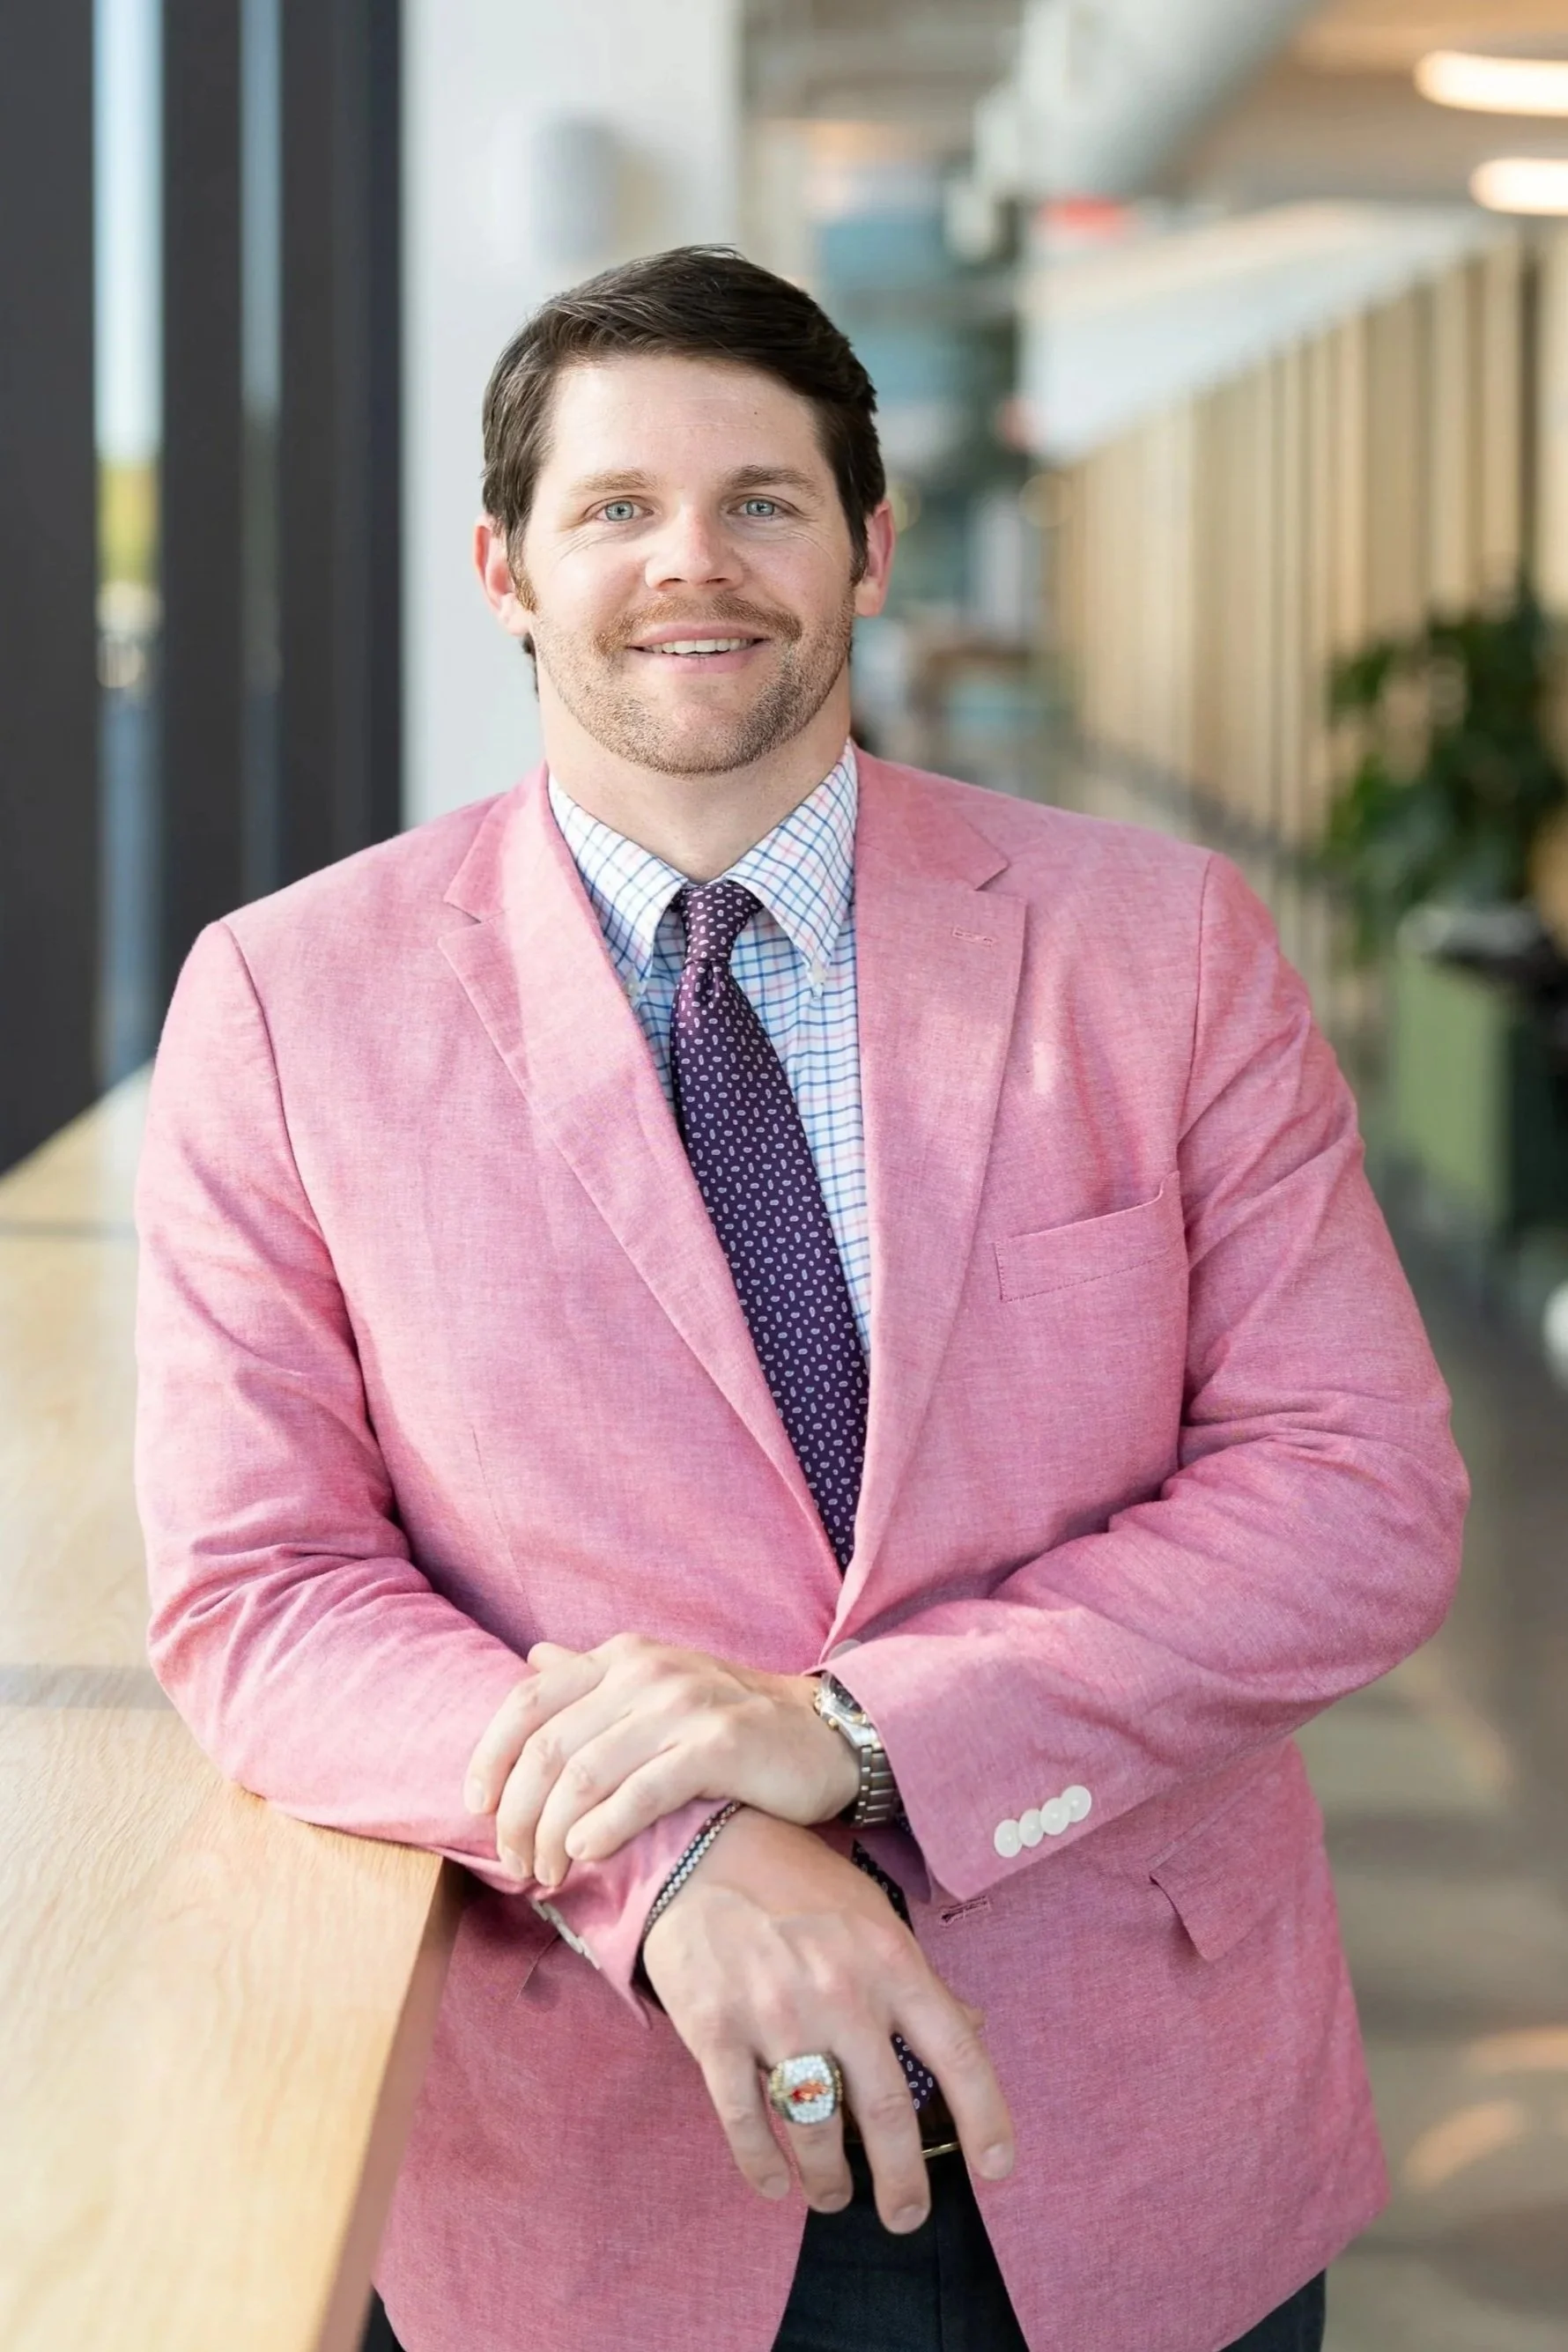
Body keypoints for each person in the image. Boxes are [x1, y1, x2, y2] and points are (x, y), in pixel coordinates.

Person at [135, 247, 1468, 2352]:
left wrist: (846, 1740)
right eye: (615, 509)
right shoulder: (292, 1004)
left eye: (761, 500)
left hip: (1134, 2124)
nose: (694, 564)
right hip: (600, 2163)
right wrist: (660, 1854)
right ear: (503, 563)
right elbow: (261, 1589)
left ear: (866, 545)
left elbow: (1358, 1494)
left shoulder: (1158, 945)